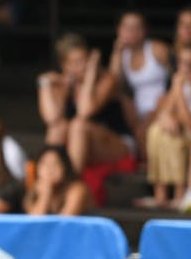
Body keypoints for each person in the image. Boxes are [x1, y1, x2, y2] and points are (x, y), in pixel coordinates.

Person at [37, 33, 133, 174]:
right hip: (81, 146)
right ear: (65, 67)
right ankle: (48, 176)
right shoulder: (64, 86)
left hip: (118, 144)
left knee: (78, 126)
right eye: (76, 62)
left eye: (86, 59)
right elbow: (51, 118)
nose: (83, 65)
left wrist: (90, 75)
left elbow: (84, 110)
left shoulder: (107, 80)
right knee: (58, 128)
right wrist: (44, 85)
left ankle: (72, 182)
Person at [108, 11, 171, 156]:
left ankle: (149, 166)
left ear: (144, 31)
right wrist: (117, 52)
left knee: (143, 130)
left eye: (136, 27)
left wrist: (166, 104)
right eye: (127, 27)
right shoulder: (123, 54)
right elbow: (113, 84)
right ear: (119, 30)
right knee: (121, 98)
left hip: (161, 103)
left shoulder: (157, 49)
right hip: (137, 109)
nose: (131, 32)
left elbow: (177, 75)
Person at [145, 44, 191, 209]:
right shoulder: (180, 83)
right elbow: (165, 110)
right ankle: (161, 193)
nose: (184, 69)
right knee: (157, 130)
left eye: (189, 64)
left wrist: (178, 90)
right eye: (182, 63)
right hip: (180, 130)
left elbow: (188, 122)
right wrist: (165, 117)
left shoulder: (181, 87)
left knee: (175, 136)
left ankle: (180, 193)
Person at [23, 145, 91, 215]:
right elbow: (34, 222)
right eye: (45, 163)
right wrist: (45, 195)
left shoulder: (77, 189)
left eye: (55, 163)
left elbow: (65, 222)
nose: (50, 169)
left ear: (65, 167)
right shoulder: (34, 192)